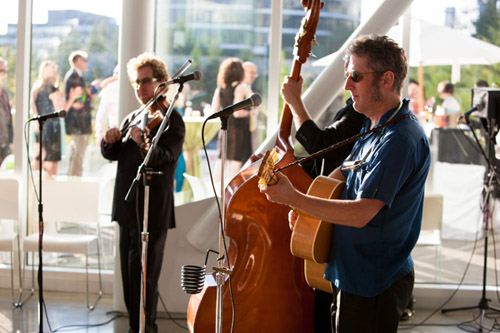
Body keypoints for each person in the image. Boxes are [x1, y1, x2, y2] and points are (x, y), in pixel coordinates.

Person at [260, 34, 431, 333]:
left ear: (387, 79)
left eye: (355, 76)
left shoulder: (400, 139)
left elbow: (362, 212)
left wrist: (296, 199)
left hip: (374, 281)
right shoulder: (374, 122)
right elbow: (345, 169)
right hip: (351, 272)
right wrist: (309, 210)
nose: (347, 85)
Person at [101, 52, 185, 333]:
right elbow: (114, 155)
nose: (140, 88)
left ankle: (146, 328)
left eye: (146, 81)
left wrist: (144, 145)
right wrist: (109, 140)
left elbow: (167, 157)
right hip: (127, 209)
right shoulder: (133, 116)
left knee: (145, 279)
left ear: (162, 82)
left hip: (152, 210)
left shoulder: (172, 119)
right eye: (136, 83)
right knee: (128, 277)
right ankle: (135, 327)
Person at [31, 60, 82, 176]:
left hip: (41, 127)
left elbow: (34, 108)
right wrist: (72, 98)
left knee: (38, 161)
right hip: (51, 128)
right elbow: (61, 109)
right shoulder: (51, 89)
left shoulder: (37, 88)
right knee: (49, 165)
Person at [212, 57, 251, 182]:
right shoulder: (239, 87)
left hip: (224, 129)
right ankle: (230, 194)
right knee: (235, 162)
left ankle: (215, 193)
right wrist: (252, 112)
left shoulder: (220, 88)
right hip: (238, 130)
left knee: (221, 160)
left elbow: (214, 110)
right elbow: (238, 113)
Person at [64, 50, 93, 176]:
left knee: (78, 153)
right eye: (84, 60)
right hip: (78, 123)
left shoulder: (76, 76)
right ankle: (75, 179)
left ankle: (75, 177)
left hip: (79, 122)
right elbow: (75, 101)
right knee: (78, 154)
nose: (86, 64)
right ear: (77, 61)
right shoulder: (73, 77)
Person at [95, 65, 119, 144]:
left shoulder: (110, 88)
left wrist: (99, 134)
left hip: (114, 132)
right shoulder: (110, 88)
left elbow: (102, 114)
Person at [242, 61, 263, 151]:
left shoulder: (255, 90)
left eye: (255, 73)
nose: (253, 75)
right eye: (250, 72)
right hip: (239, 131)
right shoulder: (236, 89)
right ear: (242, 72)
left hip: (253, 131)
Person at [0, 57, 13, 166]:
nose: (3, 74)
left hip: (5, 139)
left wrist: (11, 138)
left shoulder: (3, 90)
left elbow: (7, 115)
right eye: (1, 71)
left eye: (4, 71)